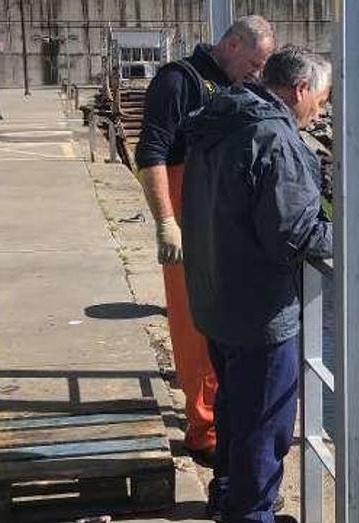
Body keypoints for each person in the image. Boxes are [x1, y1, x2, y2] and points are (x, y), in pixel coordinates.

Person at [179, 47, 333, 523]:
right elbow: (294, 234)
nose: (320, 112)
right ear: (301, 89)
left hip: (214, 293)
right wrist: (352, 238)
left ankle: (230, 492)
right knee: (266, 416)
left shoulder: (217, 118)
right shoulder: (275, 138)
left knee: (233, 405)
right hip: (258, 305)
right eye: (321, 100)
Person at [134, 16, 275, 464]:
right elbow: (151, 152)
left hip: (220, 220)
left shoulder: (235, 85)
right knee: (196, 326)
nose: (256, 72)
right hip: (188, 217)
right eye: (253, 62)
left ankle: (218, 416)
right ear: (231, 44)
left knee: (221, 325)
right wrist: (165, 222)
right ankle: (203, 428)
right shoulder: (179, 83)